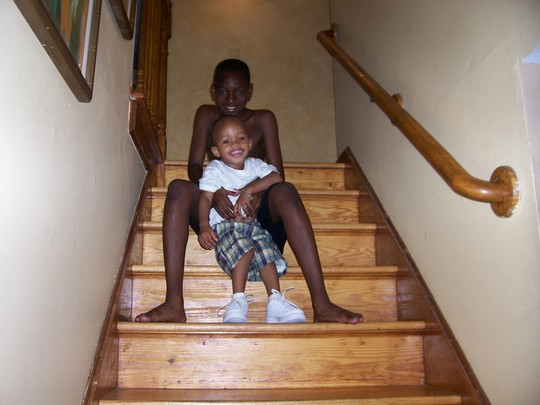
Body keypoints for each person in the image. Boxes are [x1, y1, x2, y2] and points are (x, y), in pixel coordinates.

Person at [135, 58, 364, 324]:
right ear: (213, 91)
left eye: (240, 91)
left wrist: (254, 193)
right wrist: (216, 192)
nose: (231, 99)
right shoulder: (206, 115)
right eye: (223, 91)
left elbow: (277, 173)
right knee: (177, 188)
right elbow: (194, 166)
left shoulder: (263, 119)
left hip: (258, 216)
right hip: (219, 214)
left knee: (286, 191)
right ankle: (174, 303)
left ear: (250, 91)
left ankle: (322, 304)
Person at [198, 115, 305, 323]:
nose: (235, 144)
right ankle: (238, 300)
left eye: (241, 138)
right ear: (216, 151)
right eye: (226, 141)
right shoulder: (215, 169)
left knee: (266, 250)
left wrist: (249, 190)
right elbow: (205, 198)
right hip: (225, 226)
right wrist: (203, 225)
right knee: (244, 248)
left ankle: (275, 301)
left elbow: (276, 177)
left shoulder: (255, 165)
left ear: (250, 143)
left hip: (253, 226)